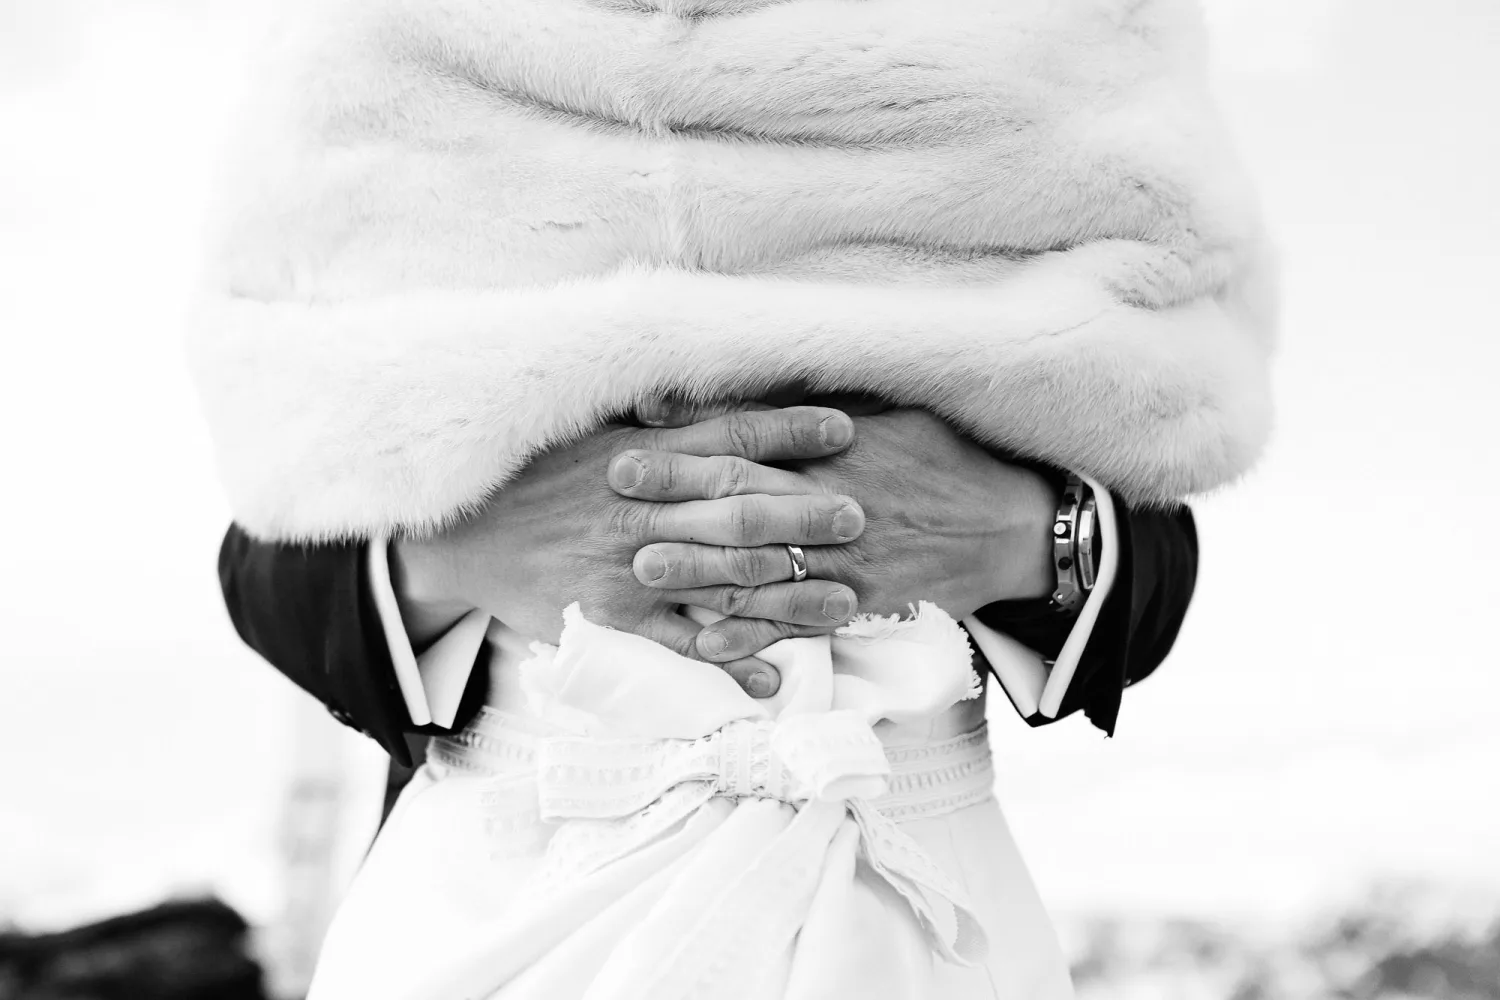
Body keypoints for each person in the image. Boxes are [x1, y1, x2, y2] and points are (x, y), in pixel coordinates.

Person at [189, 1, 1273, 996]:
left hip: (915, 902)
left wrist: (1011, 533)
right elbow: (272, 552)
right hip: (492, 898)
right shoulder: (370, 47)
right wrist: (459, 557)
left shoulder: (1062, 33)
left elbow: (1153, 525)